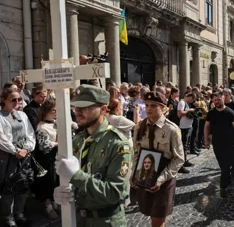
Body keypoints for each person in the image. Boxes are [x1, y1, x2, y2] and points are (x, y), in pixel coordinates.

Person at [53, 85, 132, 226]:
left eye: (85, 107)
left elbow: (115, 192)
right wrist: (62, 191)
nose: (77, 111)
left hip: (106, 221)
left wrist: (76, 176)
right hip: (78, 218)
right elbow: (69, 178)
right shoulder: (77, 140)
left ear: (103, 109)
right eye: (76, 107)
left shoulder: (118, 144)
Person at [132, 91, 184, 227]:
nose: (149, 108)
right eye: (147, 105)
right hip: (145, 174)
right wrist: (134, 175)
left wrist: (161, 179)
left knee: (158, 219)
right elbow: (136, 153)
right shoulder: (139, 127)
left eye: (154, 105)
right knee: (149, 212)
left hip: (164, 177)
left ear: (163, 108)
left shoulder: (172, 129)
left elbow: (178, 159)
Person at [0, 88, 36, 227]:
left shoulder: (22, 115)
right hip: (8, 157)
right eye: (13, 100)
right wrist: (15, 151)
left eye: (19, 99)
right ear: (4, 100)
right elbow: (2, 139)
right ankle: (8, 218)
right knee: (9, 188)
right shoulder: (1, 117)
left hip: (24, 156)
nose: (17, 102)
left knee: (23, 184)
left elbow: (30, 134)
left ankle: (19, 214)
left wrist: (26, 149)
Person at [204, 92, 234, 198]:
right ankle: (227, 178)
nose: (217, 102)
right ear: (212, 101)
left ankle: (223, 187)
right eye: (215, 100)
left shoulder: (230, 112)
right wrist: (206, 140)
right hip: (217, 143)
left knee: (228, 163)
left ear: (223, 99)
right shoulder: (211, 113)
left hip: (230, 142)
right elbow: (206, 127)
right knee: (223, 164)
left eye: (219, 99)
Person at [35, 99, 59, 219]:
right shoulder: (42, 127)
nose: (55, 112)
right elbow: (44, 146)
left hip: (55, 156)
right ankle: (48, 206)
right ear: (46, 111)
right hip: (46, 158)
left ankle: (55, 202)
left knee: (55, 181)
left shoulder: (55, 123)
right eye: (53, 110)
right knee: (47, 181)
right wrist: (57, 143)